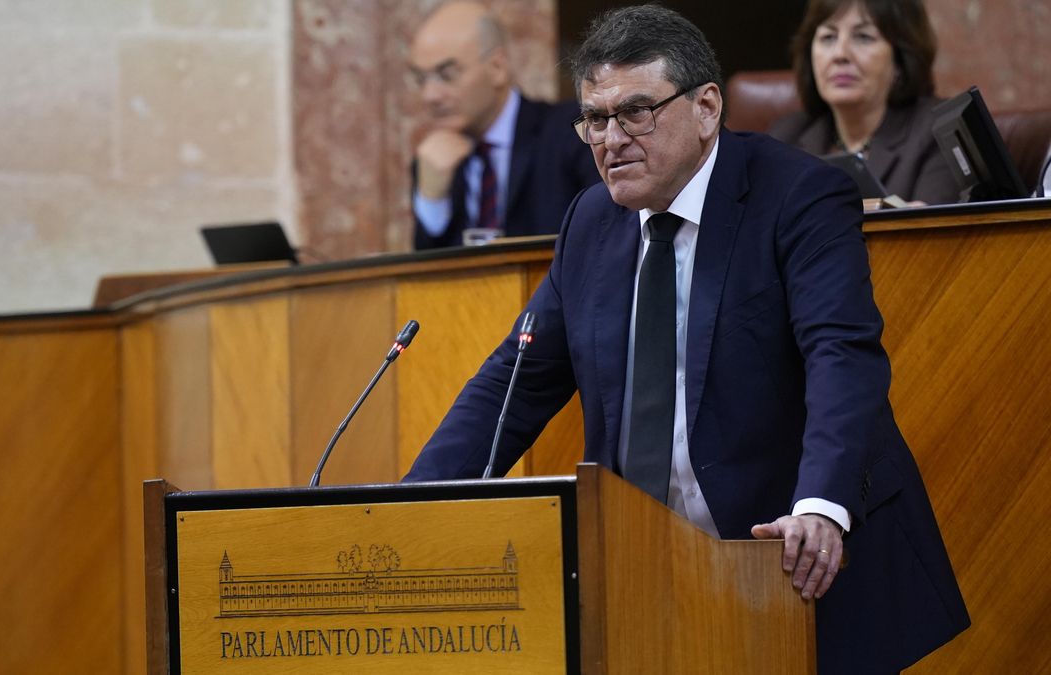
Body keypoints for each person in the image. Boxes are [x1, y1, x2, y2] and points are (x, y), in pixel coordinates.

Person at [404, 4, 968, 673]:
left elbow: (839, 356)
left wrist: (820, 504)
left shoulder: (798, 195)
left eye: (636, 111)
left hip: (794, 562)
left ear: (706, 107)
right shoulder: (591, 220)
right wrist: (411, 506)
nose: (612, 139)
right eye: (596, 118)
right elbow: (511, 384)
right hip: (650, 575)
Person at [408, 1, 600, 249]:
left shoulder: (571, 132)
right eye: (421, 79)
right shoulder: (434, 161)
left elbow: (602, 240)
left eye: (446, 75)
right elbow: (425, 279)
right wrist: (432, 201)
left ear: (497, 67)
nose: (430, 95)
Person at [769, 0, 959, 205]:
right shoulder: (786, 137)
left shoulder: (940, 132)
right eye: (828, 37)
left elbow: (933, 233)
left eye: (863, 37)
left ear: (900, 58)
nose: (840, 54)